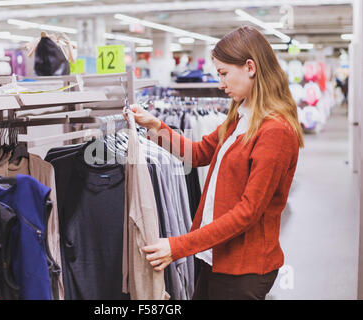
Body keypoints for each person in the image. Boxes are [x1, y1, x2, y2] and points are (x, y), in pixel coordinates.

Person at [123, 26, 304, 300]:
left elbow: (248, 211)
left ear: (250, 67)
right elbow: (198, 153)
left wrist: (178, 245)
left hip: (245, 270)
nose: (220, 84)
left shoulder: (275, 130)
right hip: (216, 256)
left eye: (223, 74)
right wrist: (155, 125)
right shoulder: (241, 116)